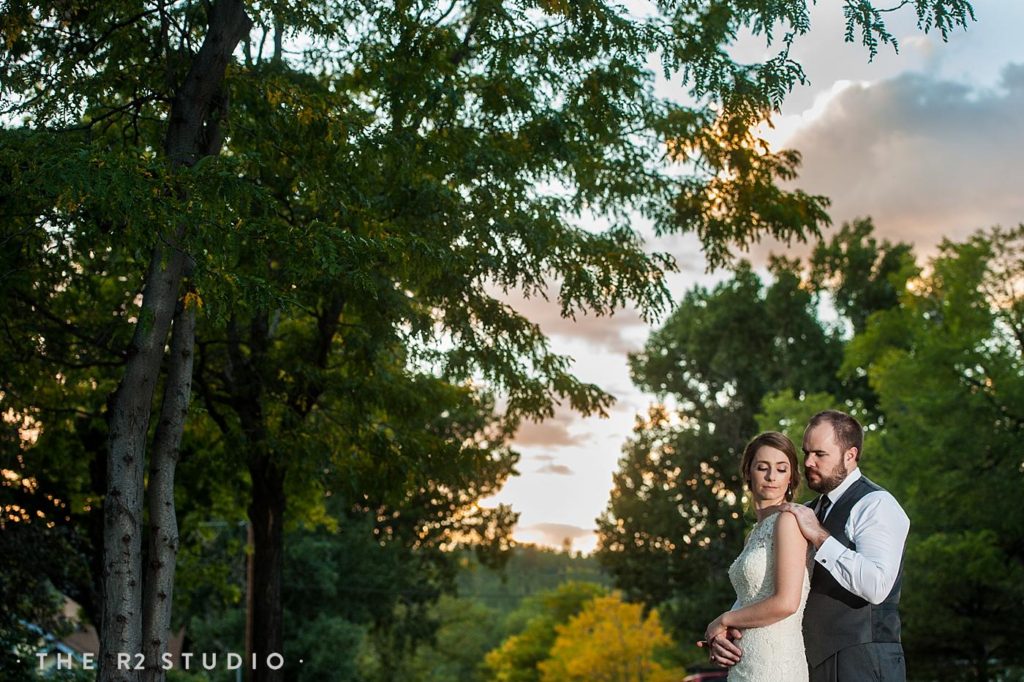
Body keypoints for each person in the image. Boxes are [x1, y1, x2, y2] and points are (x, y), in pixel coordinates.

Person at [708, 410, 910, 682]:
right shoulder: (806, 512)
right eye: (806, 453)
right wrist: (727, 628)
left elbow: (877, 586)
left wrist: (820, 537)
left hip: (862, 663)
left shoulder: (875, 504)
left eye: (820, 454)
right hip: (807, 660)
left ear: (850, 456)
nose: (809, 462)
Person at [702, 431, 811, 682]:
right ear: (747, 473)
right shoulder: (753, 534)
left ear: (791, 478)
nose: (772, 477)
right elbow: (748, 600)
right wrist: (721, 635)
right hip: (745, 664)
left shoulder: (788, 522)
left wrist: (723, 620)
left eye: (782, 469)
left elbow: (786, 603)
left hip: (775, 665)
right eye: (763, 467)